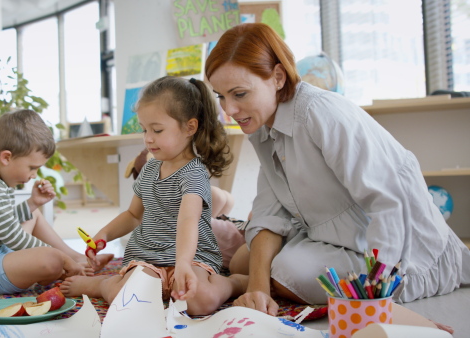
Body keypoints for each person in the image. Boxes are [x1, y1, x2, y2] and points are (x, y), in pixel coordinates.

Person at [205, 23, 470, 315]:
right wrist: (257, 287)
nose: (228, 109)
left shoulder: (320, 113)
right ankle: (250, 281)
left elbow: (388, 202)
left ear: (278, 77)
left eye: (239, 94)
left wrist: (375, 288)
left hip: (398, 250)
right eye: (220, 96)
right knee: (252, 261)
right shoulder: (262, 130)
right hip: (333, 241)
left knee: (284, 271)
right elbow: (269, 211)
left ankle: (239, 284)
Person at [60, 76, 248, 316]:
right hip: (148, 255)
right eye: (145, 129)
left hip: (191, 256)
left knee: (200, 303)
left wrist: (182, 264)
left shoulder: (194, 173)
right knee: (126, 300)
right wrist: (102, 236)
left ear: (190, 127)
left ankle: (235, 283)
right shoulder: (149, 169)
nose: (148, 138)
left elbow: (188, 220)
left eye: (157, 130)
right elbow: (132, 215)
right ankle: (103, 284)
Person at [0, 109, 112, 295]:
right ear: (6, 157)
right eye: (32, 168)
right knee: (51, 260)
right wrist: (61, 258)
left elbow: (2, 222)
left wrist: (32, 202)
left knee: (34, 214)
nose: (34, 175)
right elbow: (13, 237)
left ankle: (77, 258)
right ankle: (69, 267)